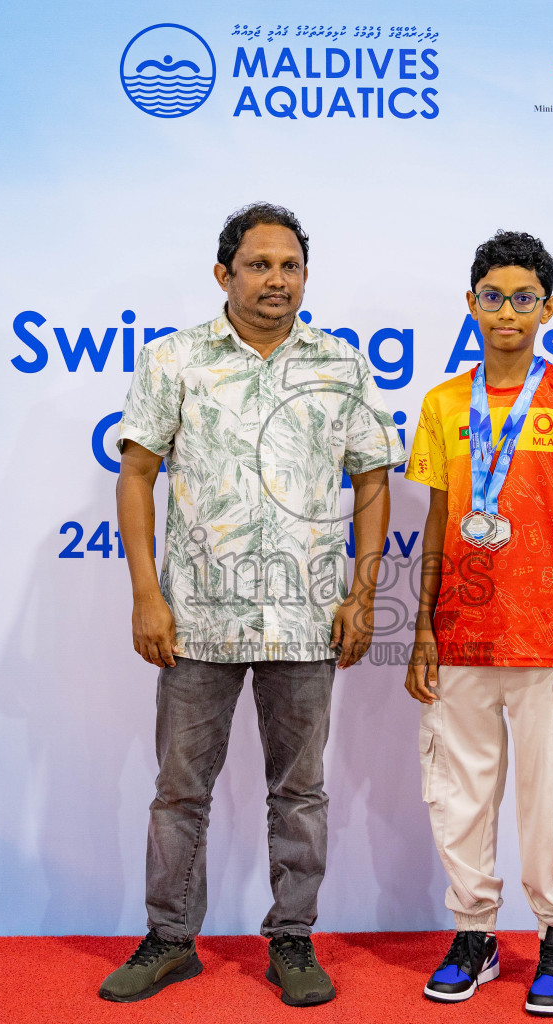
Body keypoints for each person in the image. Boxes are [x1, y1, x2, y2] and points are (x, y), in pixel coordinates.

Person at [100, 203, 405, 1007]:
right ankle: (170, 940)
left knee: (299, 793)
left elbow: (373, 479)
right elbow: (136, 474)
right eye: (260, 264)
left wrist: (362, 594)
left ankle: (293, 942)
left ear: (305, 275)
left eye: (290, 266)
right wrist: (146, 593)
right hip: (197, 617)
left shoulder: (338, 363)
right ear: (223, 273)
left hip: (306, 617)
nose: (277, 280)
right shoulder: (174, 360)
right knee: (180, 790)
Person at [404, 230, 553, 1015]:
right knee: (457, 793)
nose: (507, 311)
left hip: (547, 637)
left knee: (549, 800)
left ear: (549, 308)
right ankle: (474, 932)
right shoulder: (442, 404)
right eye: (493, 297)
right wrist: (425, 628)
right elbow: (437, 521)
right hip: (462, 633)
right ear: (471, 304)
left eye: (523, 298)